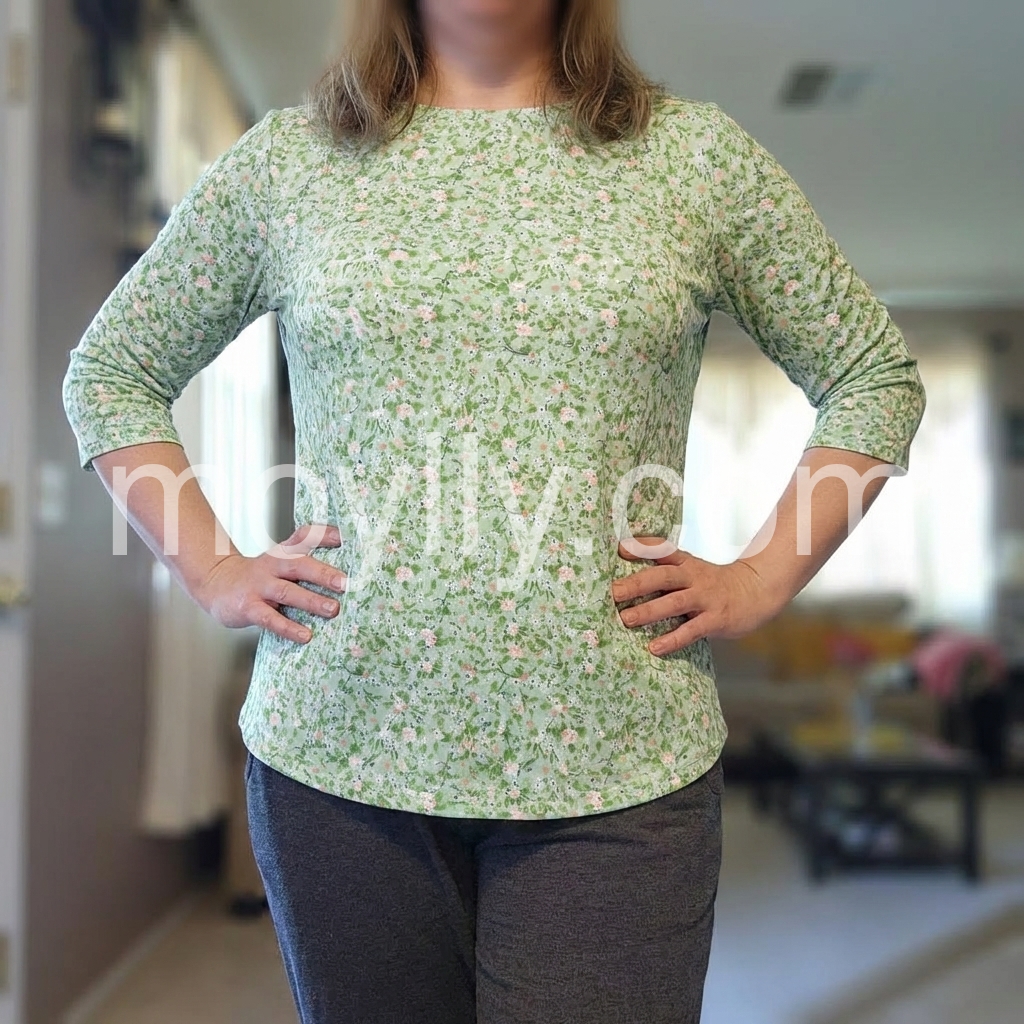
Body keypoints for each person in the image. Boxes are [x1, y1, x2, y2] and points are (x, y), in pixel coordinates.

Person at [62, 0, 926, 1021]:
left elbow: (872, 376)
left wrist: (763, 575)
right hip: (338, 760)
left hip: (617, 763)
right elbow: (112, 372)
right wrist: (212, 569)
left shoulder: (694, 160)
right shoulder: (291, 163)